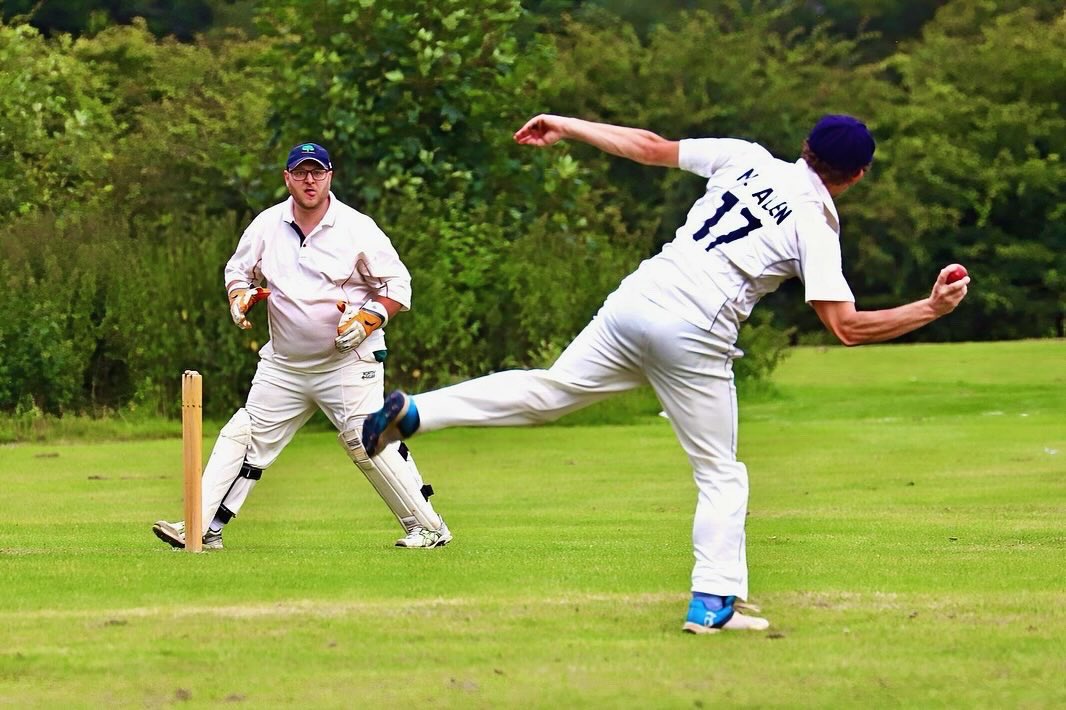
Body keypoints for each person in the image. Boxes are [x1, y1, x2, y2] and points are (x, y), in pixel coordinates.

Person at [361, 114, 971, 631]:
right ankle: (712, 604)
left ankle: (418, 412)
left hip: (639, 297)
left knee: (550, 391)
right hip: (696, 329)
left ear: (806, 147)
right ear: (856, 176)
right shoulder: (816, 222)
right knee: (721, 474)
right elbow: (845, 327)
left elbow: (650, 147)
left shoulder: (747, 157)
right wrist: (931, 308)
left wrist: (567, 124)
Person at [153, 142, 452, 551]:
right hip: (285, 364)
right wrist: (239, 297)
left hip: (348, 360)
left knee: (366, 438)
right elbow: (237, 271)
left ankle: (429, 526)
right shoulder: (266, 225)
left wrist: (369, 320)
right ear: (287, 177)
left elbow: (398, 285)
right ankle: (200, 526)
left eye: (318, 172)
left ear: (330, 176)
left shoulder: (356, 227)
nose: (309, 180)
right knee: (245, 434)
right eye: (301, 172)